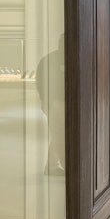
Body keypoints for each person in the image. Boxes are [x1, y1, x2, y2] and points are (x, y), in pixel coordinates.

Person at [36, 35, 66, 176]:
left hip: (57, 102)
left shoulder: (50, 58)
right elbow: (41, 82)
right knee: (60, 135)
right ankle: (66, 166)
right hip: (57, 102)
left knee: (58, 134)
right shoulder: (52, 59)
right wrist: (46, 100)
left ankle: (52, 165)